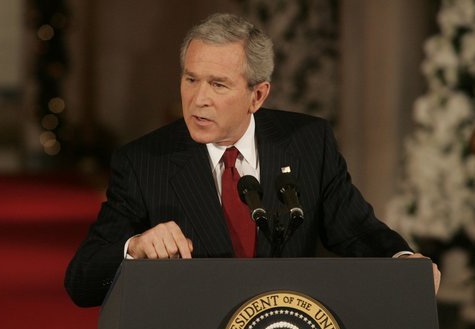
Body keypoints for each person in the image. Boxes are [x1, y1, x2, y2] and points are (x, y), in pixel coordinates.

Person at [64, 13, 440, 307]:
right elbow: (81, 281)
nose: (198, 99)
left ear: (257, 96)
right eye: (190, 79)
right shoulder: (144, 161)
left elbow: (355, 230)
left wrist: (402, 259)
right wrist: (135, 247)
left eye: (218, 84)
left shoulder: (308, 142)